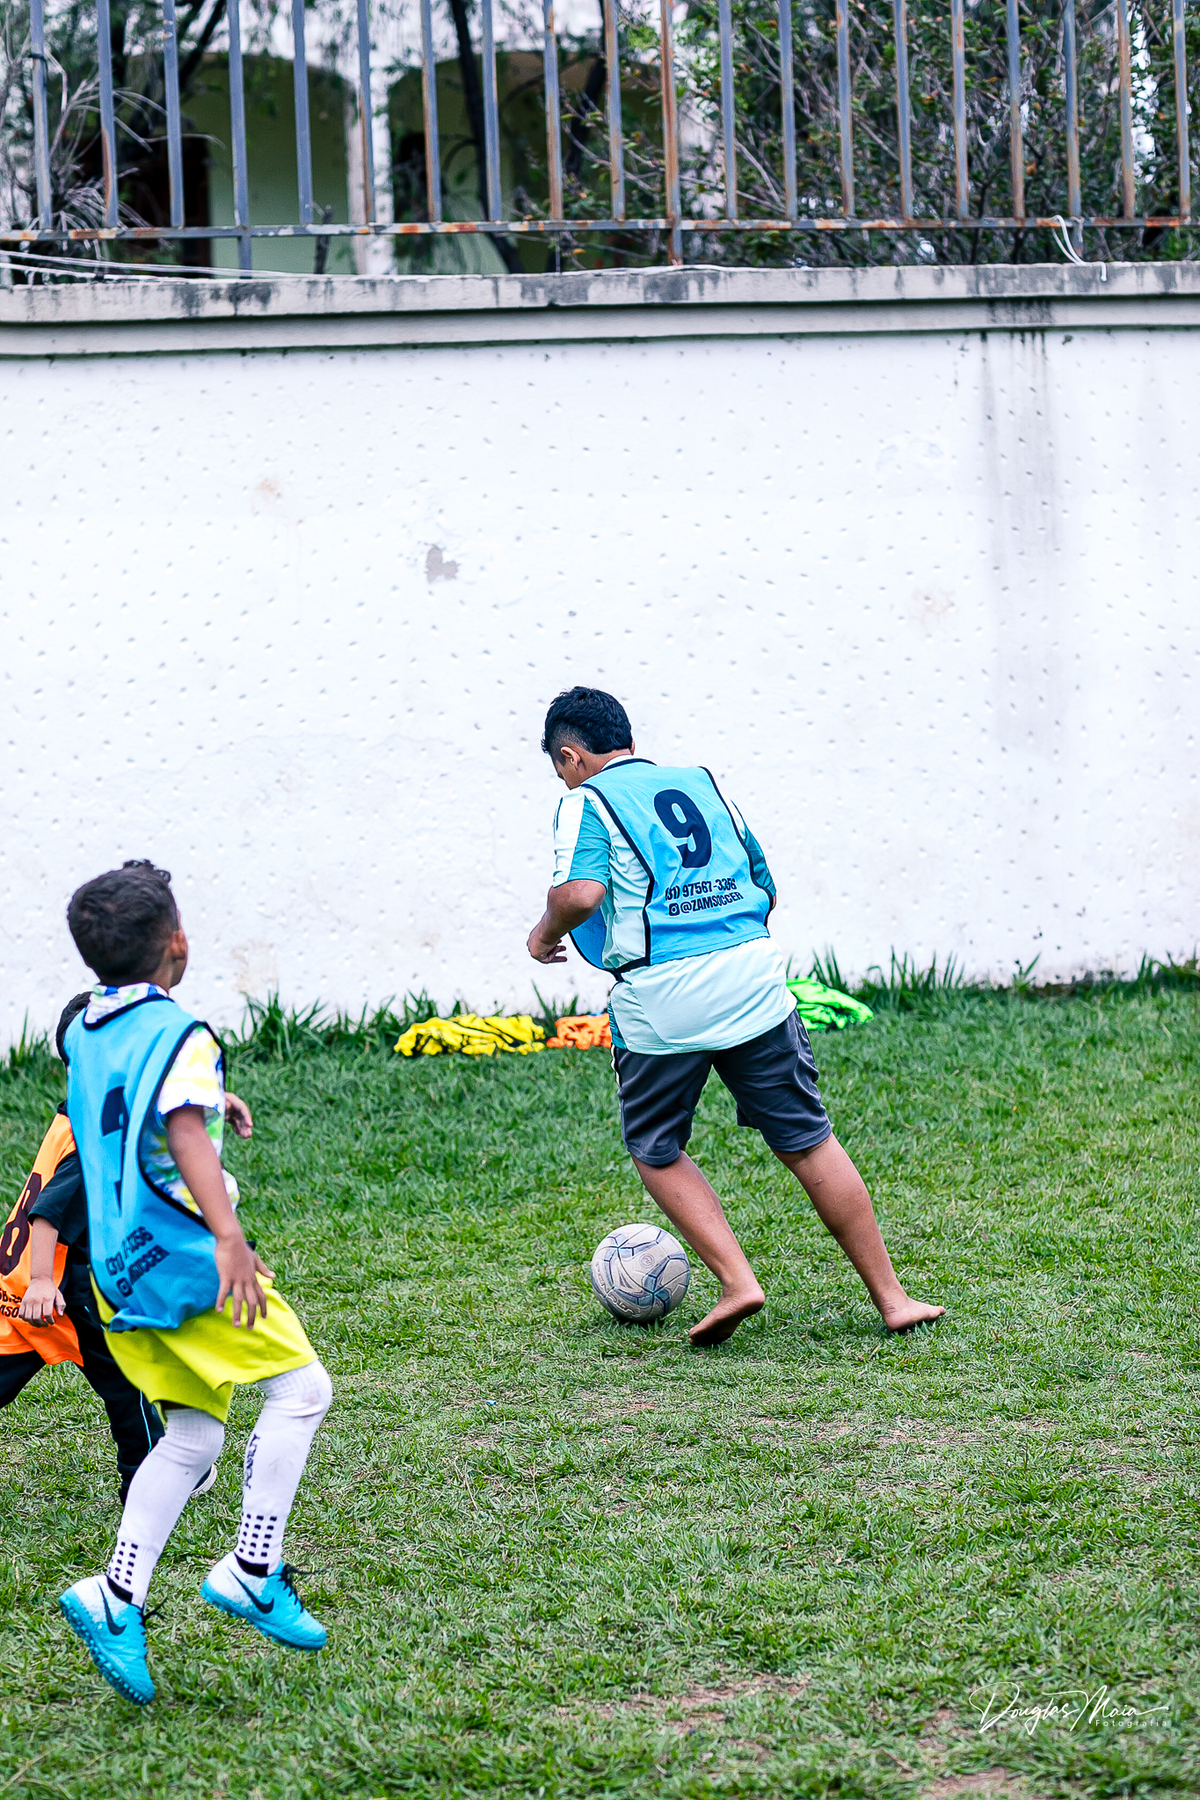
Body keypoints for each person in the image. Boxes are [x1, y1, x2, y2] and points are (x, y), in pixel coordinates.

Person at [526, 687, 944, 1348]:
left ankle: (738, 1281)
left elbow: (580, 893)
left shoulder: (586, 801)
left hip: (663, 997)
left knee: (656, 1147)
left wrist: (544, 933)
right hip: (753, 979)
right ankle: (894, 1299)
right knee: (809, 1139)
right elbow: (762, 878)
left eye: (561, 767)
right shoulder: (703, 782)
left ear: (571, 756)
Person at [56, 859, 333, 1706]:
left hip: (117, 1272)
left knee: (192, 1436)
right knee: (302, 1392)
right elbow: (178, 1129)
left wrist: (213, 1100)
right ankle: (253, 1566)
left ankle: (116, 1595)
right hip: (186, 1264)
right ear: (177, 942)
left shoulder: (85, 1028)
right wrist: (229, 1239)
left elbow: (128, 1103)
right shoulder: (183, 1033)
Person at [0, 995, 170, 1501]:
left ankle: (160, 1470)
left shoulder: (72, 1111)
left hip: (18, 1282)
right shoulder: (94, 1135)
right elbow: (49, 1212)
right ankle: (151, 1482)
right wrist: (42, 1282)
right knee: (124, 1380)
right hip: (57, 1289)